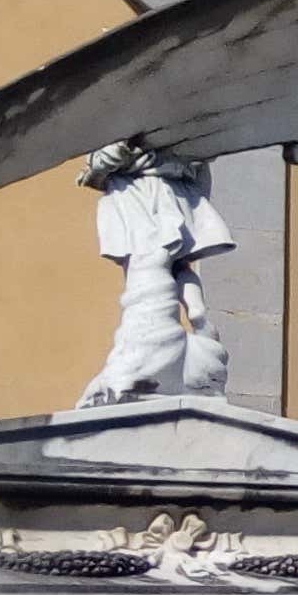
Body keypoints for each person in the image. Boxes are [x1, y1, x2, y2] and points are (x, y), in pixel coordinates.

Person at [75, 141, 233, 406]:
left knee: (148, 266)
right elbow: (202, 167)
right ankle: (197, 313)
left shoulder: (126, 123)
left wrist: (98, 167)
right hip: (178, 191)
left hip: (137, 191)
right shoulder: (182, 134)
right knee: (179, 266)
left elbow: (106, 159)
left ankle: (147, 353)